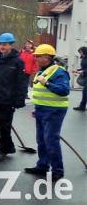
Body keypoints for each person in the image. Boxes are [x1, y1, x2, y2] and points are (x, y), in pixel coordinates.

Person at [22, 44, 69, 182]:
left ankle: (57, 170)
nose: (36, 58)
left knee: (51, 141)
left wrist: (47, 83)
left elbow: (64, 90)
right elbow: (41, 94)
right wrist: (37, 108)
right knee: (41, 140)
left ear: (47, 57)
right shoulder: (41, 71)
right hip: (42, 110)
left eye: (38, 56)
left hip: (54, 111)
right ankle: (42, 166)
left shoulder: (59, 72)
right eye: (36, 56)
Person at [0, 32, 28, 162]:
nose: (2, 47)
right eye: (0, 44)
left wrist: (19, 100)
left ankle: (1, 149)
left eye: (5, 44)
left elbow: (22, 82)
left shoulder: (18, 61)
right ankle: (9, 146)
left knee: (5, 124)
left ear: (11, 45)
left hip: (9, 99)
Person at [74, 46, 87, 111]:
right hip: (85, 76)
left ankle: (82, 107)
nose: (80, 53)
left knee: (85, 92)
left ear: (84, 51)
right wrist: (78, 69)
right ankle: (82, 106)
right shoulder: (83, 58)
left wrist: (81, 71)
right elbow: (84, 67)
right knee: (85, 92)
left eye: (80, 52)